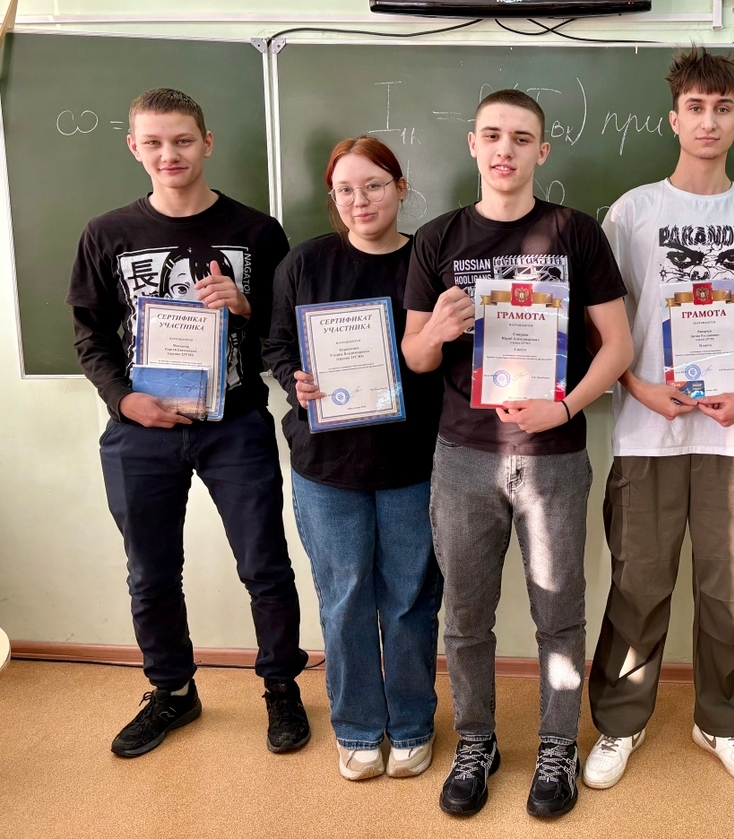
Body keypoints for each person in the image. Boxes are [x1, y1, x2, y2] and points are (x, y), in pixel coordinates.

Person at [583, 47, 734, 791]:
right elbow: (599, 322)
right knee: (638, 589)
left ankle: (721, 721)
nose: (708, 120)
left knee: (727, 593)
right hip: (646, 433)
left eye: (722, 109)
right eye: (695, 107)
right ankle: (620, 721)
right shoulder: (633, 211)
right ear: (673, 118)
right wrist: (637, 386)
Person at [401, 89, 633, 819]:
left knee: (558, 612)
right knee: (466, 615)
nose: (506, 149)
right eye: (493, 135)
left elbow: (618, 347)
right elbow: (414, 356)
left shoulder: (575, 232)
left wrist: (563, 406)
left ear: (542, 151)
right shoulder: (436, 238)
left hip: (554, 454)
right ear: (473, 144)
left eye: (522, 137)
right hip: (462, 455)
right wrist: (437, 330)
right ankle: (477, 741)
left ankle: (557, 746)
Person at [66, 88, 310, 758]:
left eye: (181, 140)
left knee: (264, 563)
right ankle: (172, 690)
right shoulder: (107, 234)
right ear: (134, 147)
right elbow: (89, 335)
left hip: (235, 423)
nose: (168, 154)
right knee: (150, 571)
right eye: (153, 142)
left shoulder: (258, 232)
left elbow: (286, 332)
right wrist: (124, 400)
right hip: (141, 428)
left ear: (207, 142)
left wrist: (247, 307)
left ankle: (281, 685)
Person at [264, 136, 445, 782]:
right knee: (343, 600)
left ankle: (413, 723)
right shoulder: (305, 262)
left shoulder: (431, 260)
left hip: (412, 463)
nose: (359, 200)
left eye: (373, 185)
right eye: (345, 189)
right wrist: (296, 380)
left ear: (400, 188)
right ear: (333, 197)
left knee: (410, 600)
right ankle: (359, 728)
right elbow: (277, 346)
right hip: (327, 466)